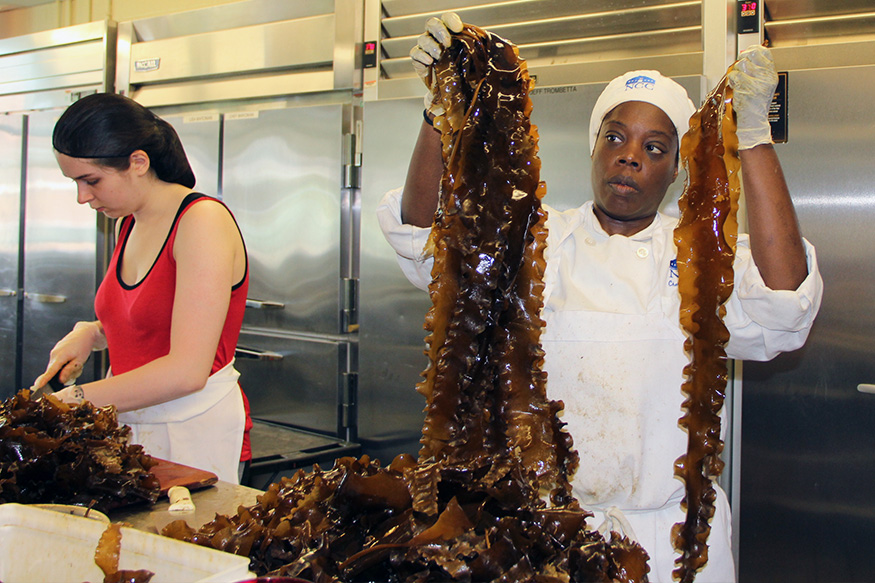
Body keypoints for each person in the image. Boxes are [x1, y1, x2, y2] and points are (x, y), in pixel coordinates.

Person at [378, 14, 823, 583]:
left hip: (672, 547)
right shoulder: (535, 243)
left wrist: (754, 136)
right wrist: (440, 114)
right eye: (615, 136)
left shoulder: (705, 262)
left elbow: (785, 302)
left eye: (655, 146)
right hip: (546, 540)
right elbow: (425, 239)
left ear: (675, 172)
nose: (629, 155)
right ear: (593, 149)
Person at [31, 93, 253, 485]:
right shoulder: (128, 222)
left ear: (138, 162)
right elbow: (149, 319)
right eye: (75, 182)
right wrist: (92, 332)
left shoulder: (201, 222)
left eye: (91, 181)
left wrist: (72, 402)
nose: (82, 197)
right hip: (132, 421)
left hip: (191, 430)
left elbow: (187, 371)